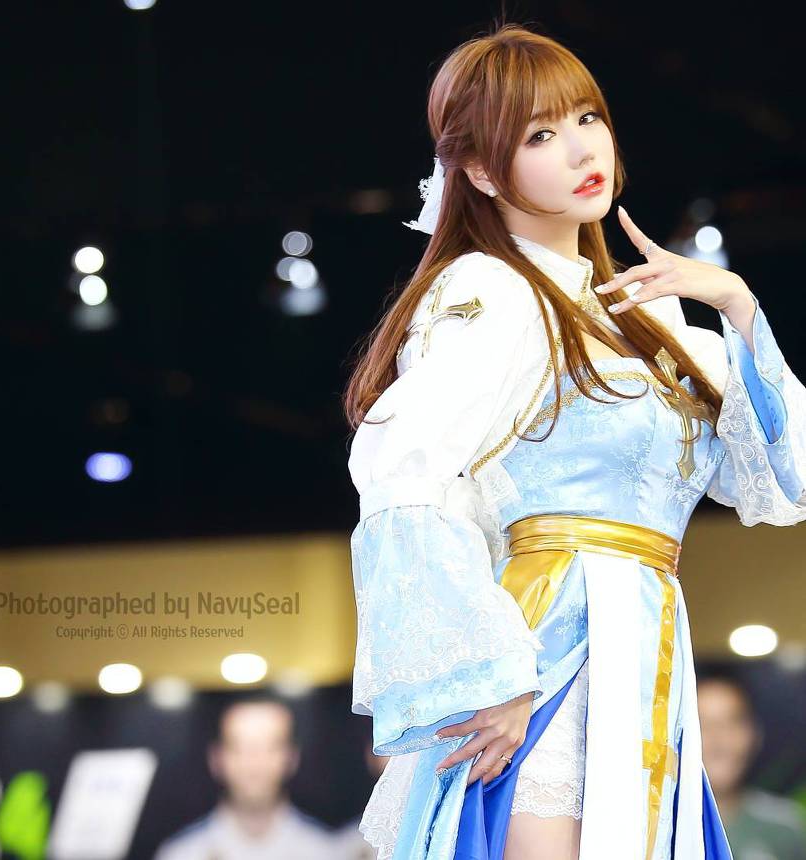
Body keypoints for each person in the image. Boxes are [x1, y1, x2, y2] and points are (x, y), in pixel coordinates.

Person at [341, 22, 806, 860]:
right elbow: (402, 474)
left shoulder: (647, 315)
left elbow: (781, 476)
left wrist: (738, 305)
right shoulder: (491, 290)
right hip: (549, 651)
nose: (582, 148)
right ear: (482, 171)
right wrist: (489, 677)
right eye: (540, 135)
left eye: (587, 118)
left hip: (644, 645)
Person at [153, 696, 337, 860]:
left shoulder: (325, 852)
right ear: (216, 758)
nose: (254, 762)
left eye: (269, 747)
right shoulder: (181, 854)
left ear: (291, 757)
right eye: (239, 747)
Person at [698, 673, 806, 859]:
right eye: (702, 724)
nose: (718, 739)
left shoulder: (784, 829)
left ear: (754, 734)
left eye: (732, 722)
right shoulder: (659, 825)